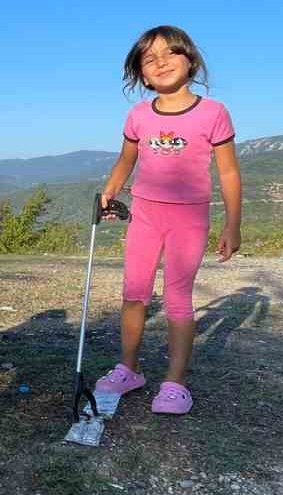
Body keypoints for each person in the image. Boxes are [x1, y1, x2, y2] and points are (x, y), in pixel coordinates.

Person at [93, 25, 243, 416]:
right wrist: (109, 190)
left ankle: (175, 382)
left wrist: (233, 223)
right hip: (144, 213)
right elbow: (127, 159)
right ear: (142, 74)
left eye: (170, 53)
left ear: (189, 60)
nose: (160, 63)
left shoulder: (214, 112)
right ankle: (129, 368)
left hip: (189, 217)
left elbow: (228, 173)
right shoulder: (138, 115)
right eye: (149, 58)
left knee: (178, 298)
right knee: (134, 292)